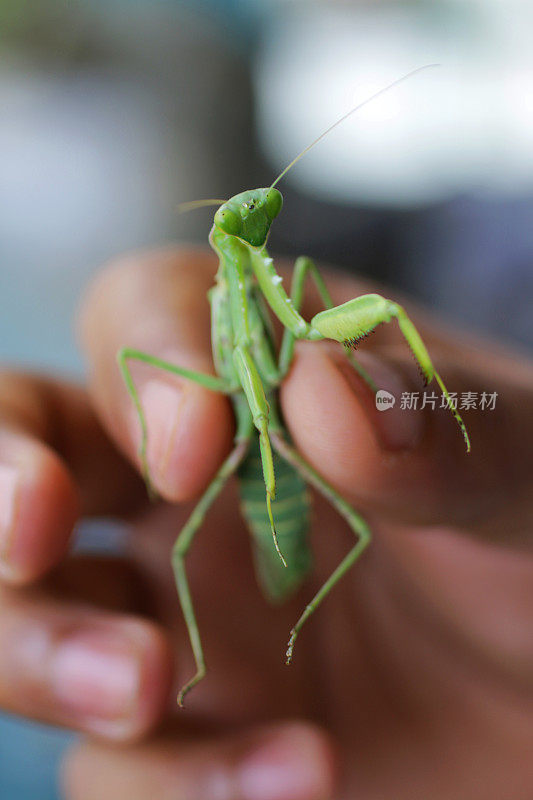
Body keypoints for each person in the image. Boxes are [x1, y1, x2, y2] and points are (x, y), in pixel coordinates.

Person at [0, 247, 532, 799]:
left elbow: (296, 329)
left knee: (355, 525)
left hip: (289, 470)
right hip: (248, 463)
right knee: (184, 545)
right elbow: (146, 363)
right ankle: (205, 661)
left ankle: (297, 621)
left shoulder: (268, 288)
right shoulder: (219, 300)